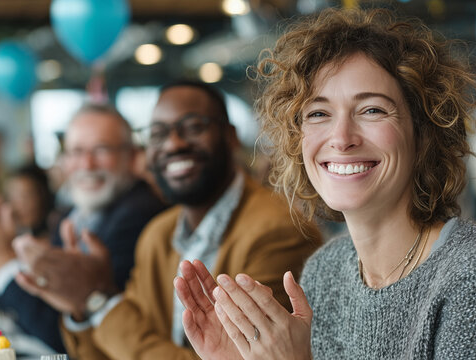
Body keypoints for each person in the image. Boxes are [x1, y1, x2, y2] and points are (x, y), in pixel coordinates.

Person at [175, 8, 476, 359]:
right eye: (319, 113)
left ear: (423, 133)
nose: (341, 138)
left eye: (371, 109)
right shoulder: (326, 271)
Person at [17, 80, 321, 360]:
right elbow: (113, 350)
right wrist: (83, 306)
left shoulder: (279, 230)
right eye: (159, 133)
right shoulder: (158, 234)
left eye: (192, 127)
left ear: (230, 136)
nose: (174, 144)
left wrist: (100, 301)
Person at [0, 104, 167, 352]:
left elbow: (61, 335)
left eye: (101, 150)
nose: (86, 164)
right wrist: (11, 240)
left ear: (132, 156)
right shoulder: (74, 214)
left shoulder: (139, 215)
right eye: (76, 151)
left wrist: (1, 261)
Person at [5, 164, 56, 237]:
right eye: (13, 198)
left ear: (42, 196)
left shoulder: (56, 227)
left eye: (25, 197)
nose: (19, 205)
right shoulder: (11, 230)